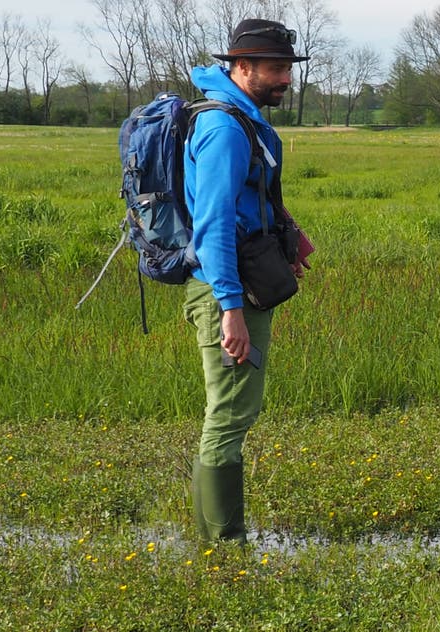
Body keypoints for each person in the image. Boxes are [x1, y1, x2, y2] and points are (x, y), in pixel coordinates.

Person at [184, 19, 313, 542]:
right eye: (276, 68)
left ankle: (217, 534)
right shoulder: (225, 128)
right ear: (242, 67)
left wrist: (289, 240)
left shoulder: (244, 119)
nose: (285, 78)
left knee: (234, 409)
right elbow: (212, 224)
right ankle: (222, 545)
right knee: (231, 413)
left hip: (239, 281)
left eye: (287, 68)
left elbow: (249, 200)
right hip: (226, 289)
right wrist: (230, 307)